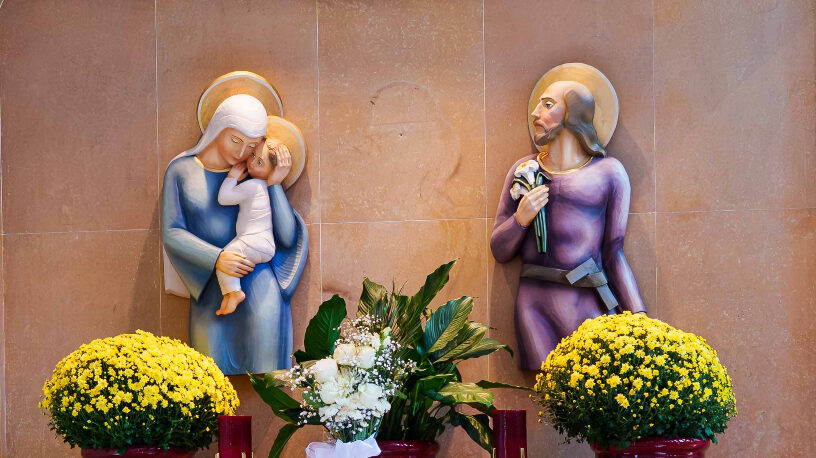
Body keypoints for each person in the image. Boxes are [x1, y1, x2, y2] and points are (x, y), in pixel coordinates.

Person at [491, 64, 646, 370]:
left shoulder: (609, 172)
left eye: (547, 105)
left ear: (572, 114)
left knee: (596, 386)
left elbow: (613, 252)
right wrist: (521, 219)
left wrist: (638, 317)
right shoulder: (524, 171)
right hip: (535, 306)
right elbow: (499, 249)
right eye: (537, 105)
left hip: (589, 303)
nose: (535, 113)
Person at [162, 88, 308, 375]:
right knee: (207, 384)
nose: (242, 153)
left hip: (261, 293)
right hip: (210, 295)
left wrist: (275, 183)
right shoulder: (181, 171)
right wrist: (217, 258)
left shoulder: (257, 177)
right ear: (217, 127)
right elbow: (172, 231)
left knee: (269, 386)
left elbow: (288, 238)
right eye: (235, 140)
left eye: (252, 147)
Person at [215, 139, 293, 316]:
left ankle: (234, 293)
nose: (251, 162)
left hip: (254, 241)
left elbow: (224, 198)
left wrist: (232, 177)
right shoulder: (267, 189)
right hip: (262, 244)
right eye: (252, 155)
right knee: (228, 259)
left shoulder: (254, 185)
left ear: (273, 170)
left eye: (259, 162)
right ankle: (229, 295)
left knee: (226, 259)